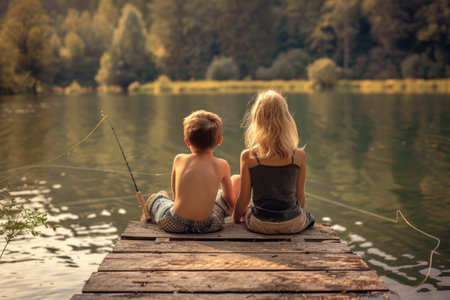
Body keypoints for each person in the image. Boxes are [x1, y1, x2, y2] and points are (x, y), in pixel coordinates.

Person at [232, 90, 315, 234]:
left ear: (257, 119)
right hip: (292, 224)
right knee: (309, 218)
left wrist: (235, 219)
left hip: (259, 224)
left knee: (246, 205)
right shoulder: (299, 156)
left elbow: (244, 199)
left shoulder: (249, 156)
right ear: (286, 118)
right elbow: (300, 197)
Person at [142, 110, 235, 233]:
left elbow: (176, 196)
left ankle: (146, 220)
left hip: (174, 224)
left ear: (187, 141)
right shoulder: (223, 165)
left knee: (159, 196)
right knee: (220, 195)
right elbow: (229, 200)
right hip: (208, 226)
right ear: (219, 141)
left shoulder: (179, 159)